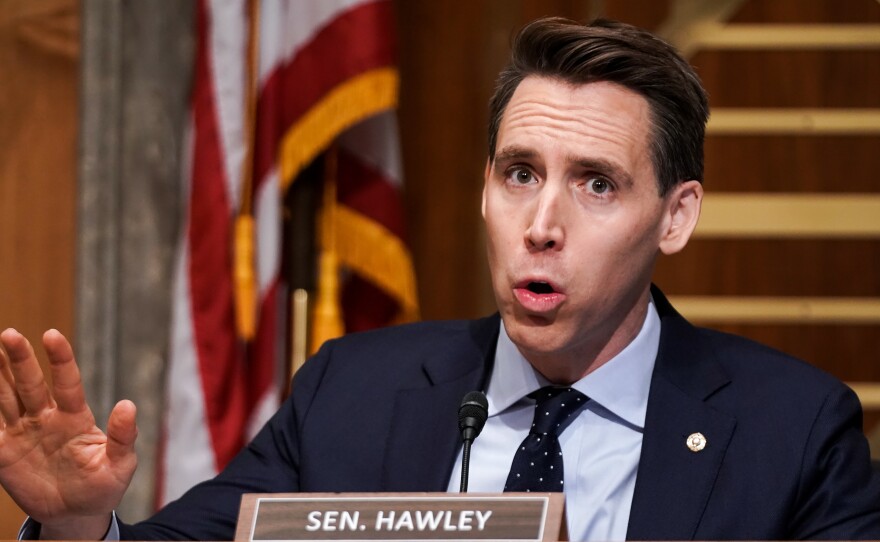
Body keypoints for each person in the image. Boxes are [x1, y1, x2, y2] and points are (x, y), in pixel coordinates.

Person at [2, 17, 879, 541]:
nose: (542, 225)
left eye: (597, 184)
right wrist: (82, 526)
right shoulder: (355, 390)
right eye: (520, 173)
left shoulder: (792, 431)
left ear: (676, 216)